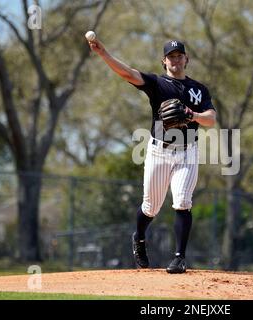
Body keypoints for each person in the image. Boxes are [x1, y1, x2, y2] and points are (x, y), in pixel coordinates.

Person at [87, 38, 216, 273]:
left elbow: (211, 119)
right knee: (150, 207)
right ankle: (139, 237)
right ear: (164, 60)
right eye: (171, 56)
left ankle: (179, 258)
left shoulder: (199, 89)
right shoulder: (157, 83)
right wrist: (104, 53)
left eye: (179, 55)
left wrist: (192, 114)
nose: (175, 59)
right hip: (159, 151)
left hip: (188, 151)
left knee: (183, 202)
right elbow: (127, 73)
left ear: (187, 59)